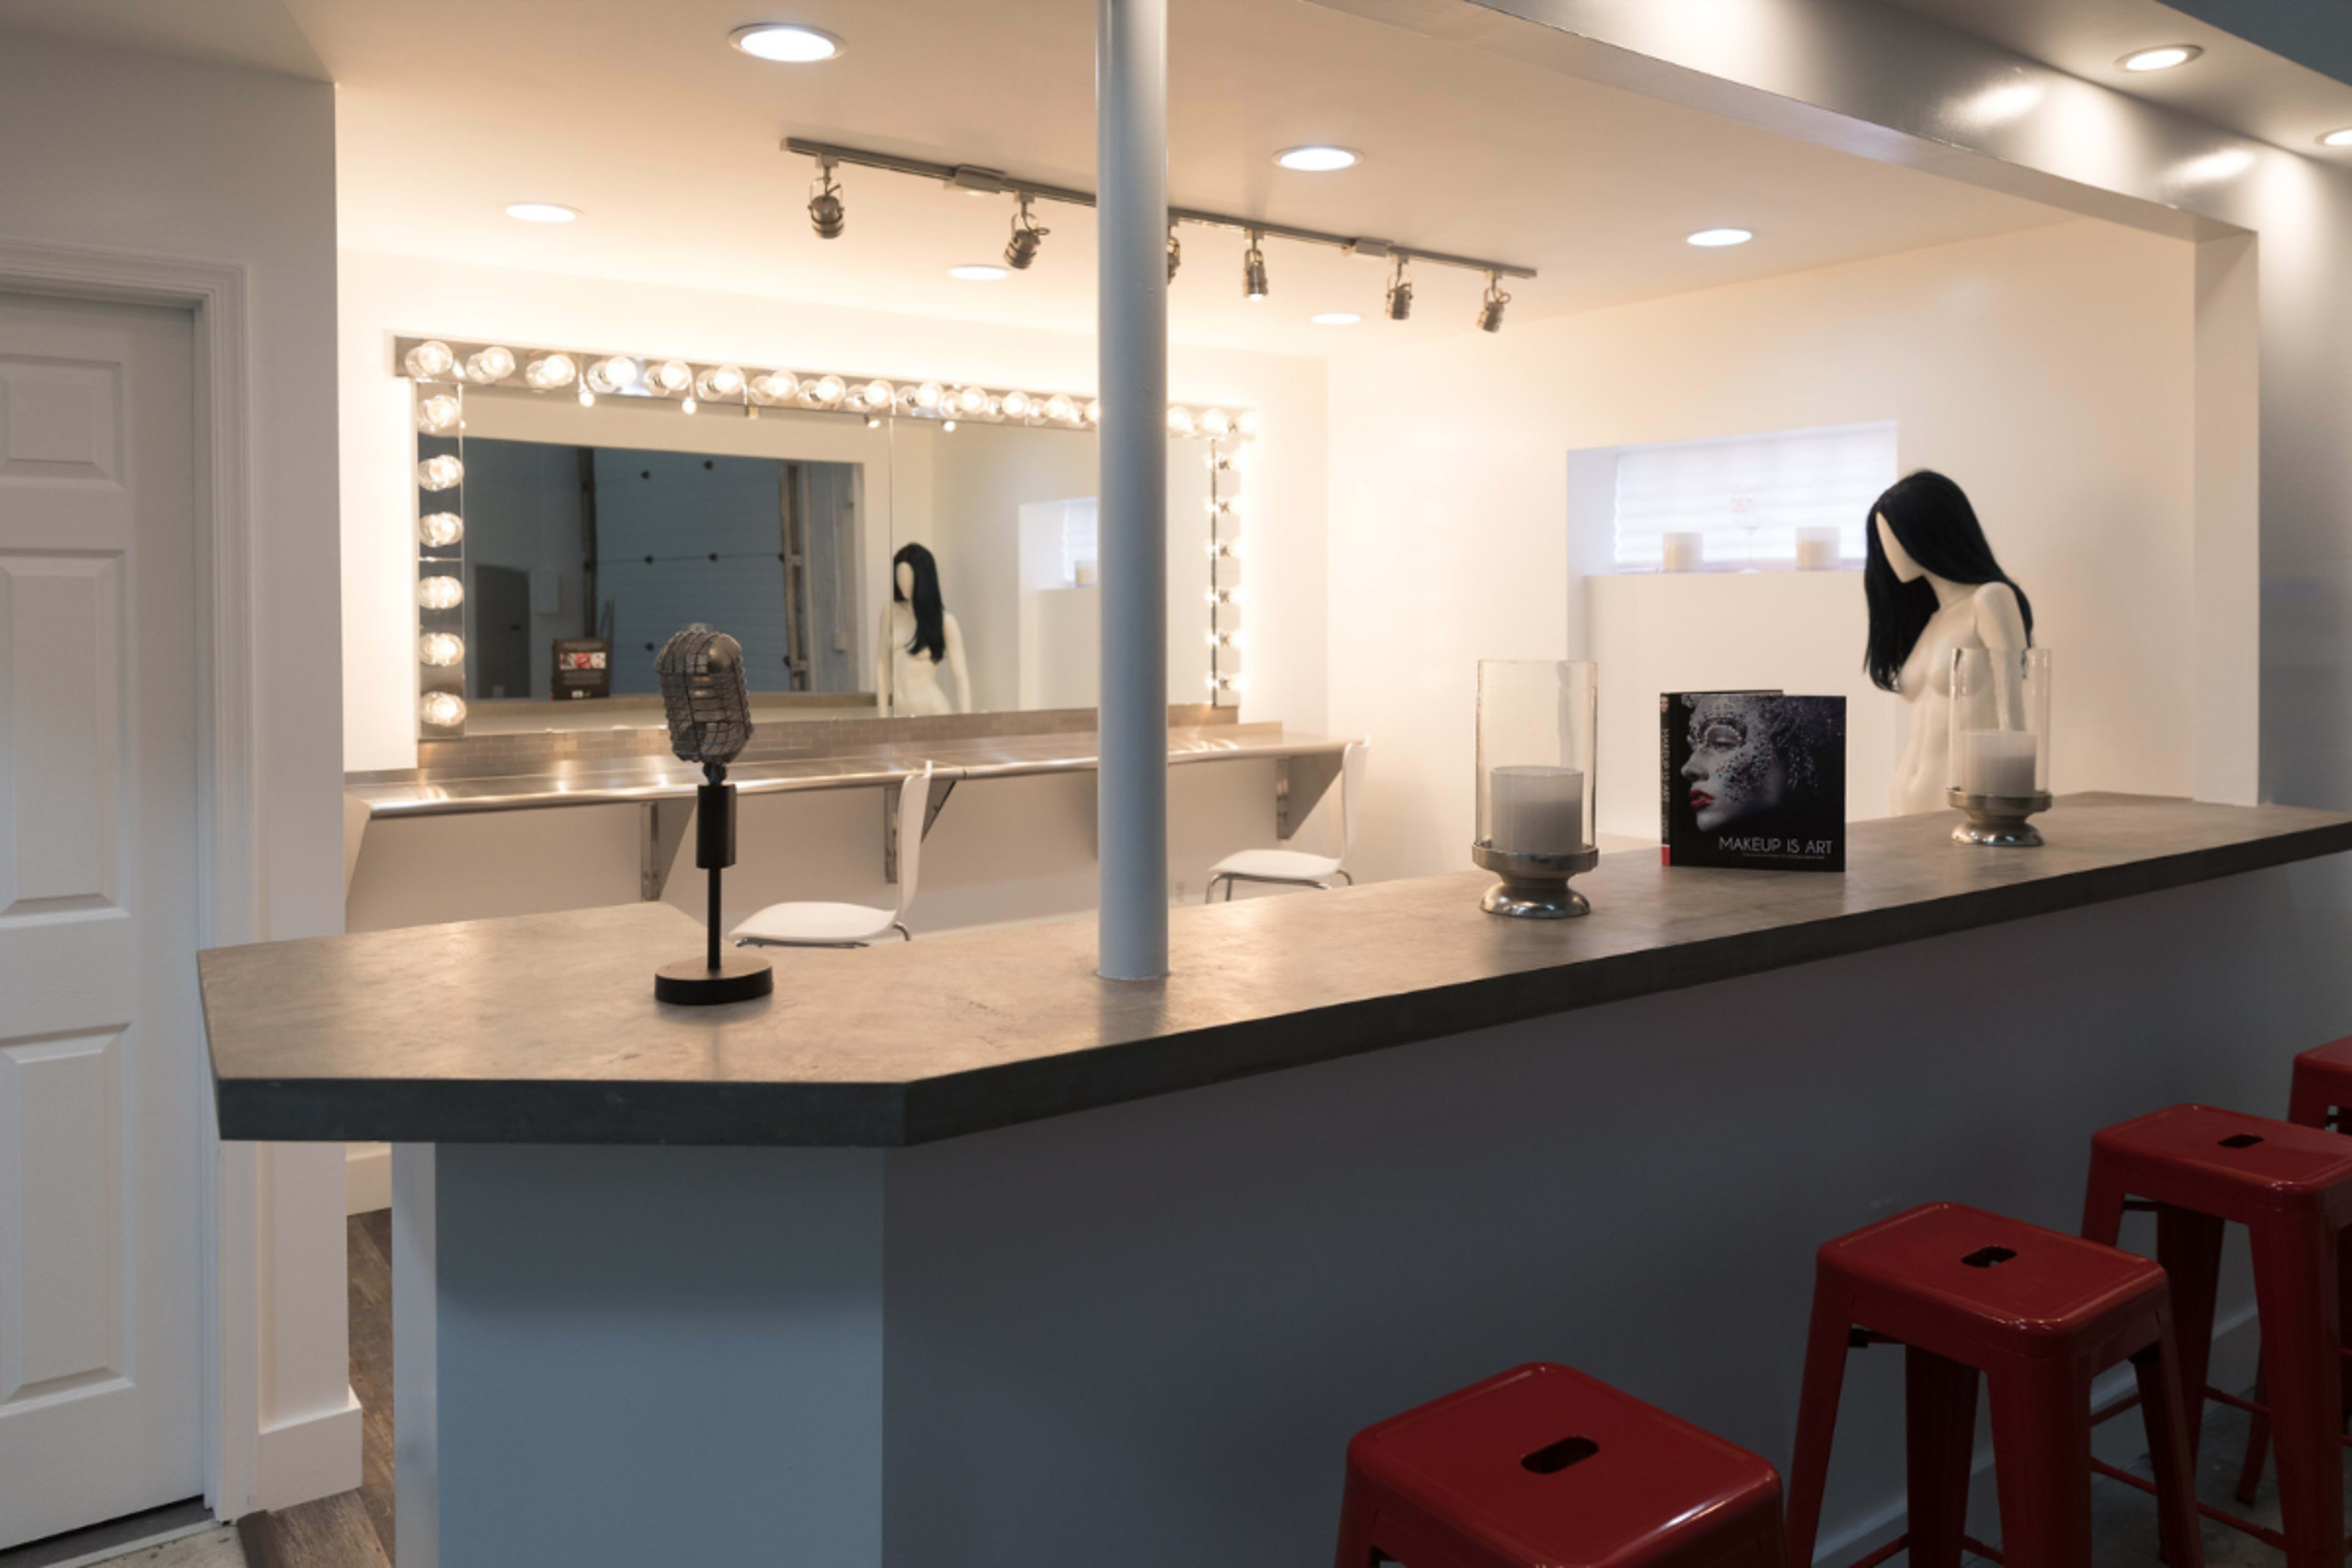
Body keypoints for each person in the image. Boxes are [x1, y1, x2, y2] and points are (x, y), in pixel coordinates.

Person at [1863, 471, 2032, 814]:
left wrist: (2010, 810)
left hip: (1962, 806)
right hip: (1903, 805)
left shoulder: (1990, 600)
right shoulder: (1931, 620)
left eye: (1893, 536)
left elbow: (2013, 718)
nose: (1888, 552)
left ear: (1926, 533)